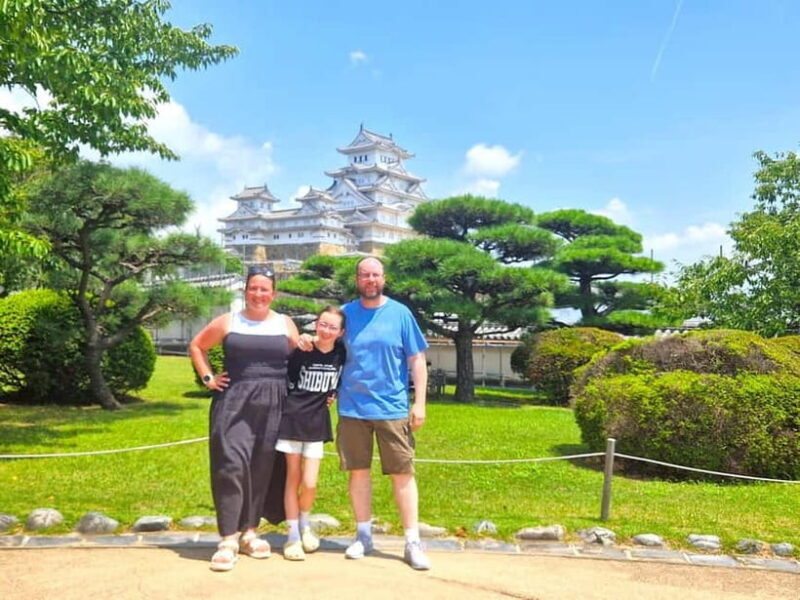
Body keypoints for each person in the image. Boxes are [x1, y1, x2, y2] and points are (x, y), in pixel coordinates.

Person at [302, 256, 430, 570]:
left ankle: (412, 540)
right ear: (357, 279)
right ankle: (363, 535)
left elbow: (417, 360)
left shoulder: (400, 314)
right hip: (352, 407)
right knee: (358, 472)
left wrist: (420, 402)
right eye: (364, 275)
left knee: (402, 473)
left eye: (375, 274)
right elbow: (325, 341)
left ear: (383, 277)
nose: (370, 279)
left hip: (392, 407)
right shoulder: (345, 314)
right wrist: (305, 338)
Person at [189, 265, 299, 572]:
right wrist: (208, 377)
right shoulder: (229, 320)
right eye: (254, 288)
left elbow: (303, 360)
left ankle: (250, 532)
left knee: (262, 467)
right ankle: (227, 538)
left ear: (273, 293)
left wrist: (321, 390)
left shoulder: (285, 323)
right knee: (231, 464)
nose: (259, 294)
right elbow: (197, 346)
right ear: (245, 290)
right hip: (234, 401)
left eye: (265, 289)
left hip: (274, 402)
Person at [276, 306, 346, 561]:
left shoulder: (342, 352)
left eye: (332, 327)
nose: (326, 330)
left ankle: (305, 524)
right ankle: (292, 535)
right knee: (292, 478)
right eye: (323, 324)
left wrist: (334, 395)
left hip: (317, 422)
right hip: (292, 420)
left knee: (310, 482)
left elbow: (338, 382)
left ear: (341, 332)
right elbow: (286, 379)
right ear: (316, 324)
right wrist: (301, 340)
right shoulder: (302, 349)